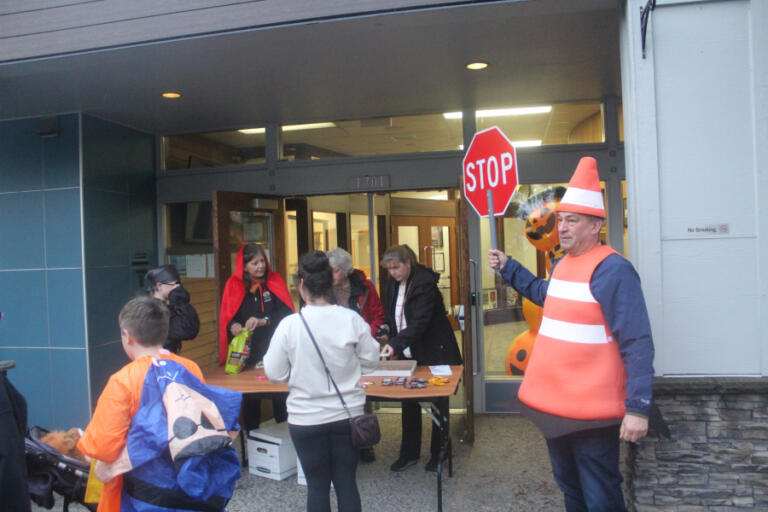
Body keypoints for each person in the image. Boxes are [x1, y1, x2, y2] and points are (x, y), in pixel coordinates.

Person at [488, 156, 655, 512]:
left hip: (592, 410)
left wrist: (638, 408)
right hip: (555, 405)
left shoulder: (614, 270)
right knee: (570, 489)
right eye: (561, 220)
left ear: (595, 226)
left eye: (572, 221)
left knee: (599, 493)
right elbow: (545, 296)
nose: (561, 228)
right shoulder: (562, 265)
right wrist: (509, 267)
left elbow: (637, 341)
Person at [77, 296, 241, 512]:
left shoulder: (122, 381)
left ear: (127, 336)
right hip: (189, 489)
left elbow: (102, 448)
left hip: (143, 497)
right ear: (166, 332)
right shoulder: (189, 368)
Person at [264, 251, 391, 512]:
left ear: (302, 286)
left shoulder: (290, 325)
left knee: (317, 487)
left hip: (306, 417)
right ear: (330, 285)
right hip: (348, 416)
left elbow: (274, 373)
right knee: (347, 483)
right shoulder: (352, 320)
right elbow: (371, 361)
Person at [379, 245, 462, 473]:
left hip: (435, 350)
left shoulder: (425, 285)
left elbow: (419, 323)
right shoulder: (393, 284)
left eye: (396, 267)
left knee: (437, 402)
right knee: (409, 402)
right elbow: (392, 314)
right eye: (389, 269)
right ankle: (408, 454)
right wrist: (387, 328)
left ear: (408, 263)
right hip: (409, 350)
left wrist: (395, 344)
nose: (393, 273)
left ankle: (440, 453)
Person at [218, 243, 294, 431]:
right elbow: (227, 316)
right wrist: (232, 326)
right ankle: (252, 441)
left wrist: (264, 320)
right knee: (251, 398)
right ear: (244, 266)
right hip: (248, 351)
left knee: (280, 396)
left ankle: (284, 436)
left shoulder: (275, 280)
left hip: (275, 346)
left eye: (262, 261)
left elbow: (286, 312)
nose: (260, 266)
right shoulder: (233, 285)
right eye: (254, 263)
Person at [327, 247, 386, 463]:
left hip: (360, 348)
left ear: (344, 270)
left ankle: (365, 441)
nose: (329, 275)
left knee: (362, 396)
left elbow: (378, 315)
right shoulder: (324, 290)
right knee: (337, 397)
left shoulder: (365, 287)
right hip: (334, 351)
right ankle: (341, 443)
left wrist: (368, 335)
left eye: (333, 271)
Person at [145, 264, 200, 354]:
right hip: (161, 361)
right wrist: (182, 303)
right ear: (159, 286)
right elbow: (189, 330)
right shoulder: (157, 311)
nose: (178, 288)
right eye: (174, 284)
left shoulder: (152, 305)